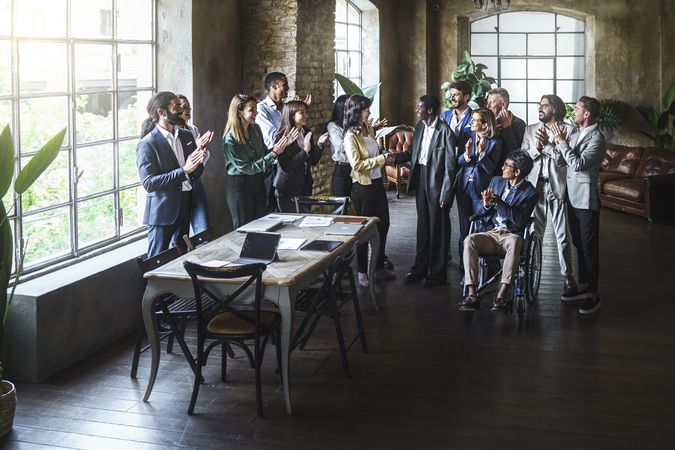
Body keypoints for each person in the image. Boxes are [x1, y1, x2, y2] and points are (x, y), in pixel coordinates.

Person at [387, 95, 457, 288]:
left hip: (438, 181)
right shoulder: (418, 127)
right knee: (423, 227)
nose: (417, 110)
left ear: (430, 111)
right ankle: (420, 268)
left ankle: (437, 274)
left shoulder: (445, 132)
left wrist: (446, 193)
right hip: (422, 179)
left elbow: (450, 167)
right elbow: (412, 154)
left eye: (420, 108)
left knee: (438, 229)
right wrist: (395, 158)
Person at [460, 150, 538, 311]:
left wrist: (499, 203)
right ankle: (472, 293)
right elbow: (480, 211)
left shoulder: (530, 192)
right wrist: (486, 203)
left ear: (517, 172)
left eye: (507, 166)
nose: (502, 168)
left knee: (516, 241)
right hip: (491, 232)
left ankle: (502, 295)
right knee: (470, 240)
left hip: (511, 235)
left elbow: (520, 221)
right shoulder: (496, 181)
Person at [136, 91, 210, 257]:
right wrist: (184, 170)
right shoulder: (147, 144)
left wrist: (199, 161)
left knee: (180, 258)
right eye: (176, 106)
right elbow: (149, 183)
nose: (182, 109)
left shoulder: (186, 136)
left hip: (185, 206)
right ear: (161, 112)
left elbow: (195, 173)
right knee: (157, 261)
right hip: (162, 214)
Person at [551, 96, 606, 315]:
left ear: (587, 114)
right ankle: (583, 285)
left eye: (577, 108)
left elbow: (578, 164)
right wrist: (557, 143)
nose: (572, 111)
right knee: (580, 245)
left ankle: (593, 293)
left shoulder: (597, 138)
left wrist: (563, 143)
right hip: (571, 197)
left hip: (585, 198)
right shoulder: (574, 132)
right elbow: (560, 161)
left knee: (590, 247)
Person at [522, 94, 577, 296]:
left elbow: (564, 161)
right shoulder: (530, 130)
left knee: (562, 235)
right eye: (539, 105)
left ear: (555, 109)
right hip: (535, 188)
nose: (540, 108)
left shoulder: (569, 130)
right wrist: (536, 149)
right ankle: (531, 270)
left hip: (558, 187)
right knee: (534, 233)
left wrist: (549, 145)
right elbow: (523, 158)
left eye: (544, 105)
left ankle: (568, 276)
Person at [343, 94, 396, 287]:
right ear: (357, 112)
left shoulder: (369, 129)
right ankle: (362, 272)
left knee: (384, 224)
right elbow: (356, 165)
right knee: (364, 231)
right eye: (366, 110)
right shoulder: (350, 136)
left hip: (376, 184)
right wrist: (383, 160)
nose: (369, 112)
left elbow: (374, 153)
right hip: (362, 187)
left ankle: (379, 267)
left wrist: (383, 156)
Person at [223, 94, 294, 228]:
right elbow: (248, 167)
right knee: (243, 227)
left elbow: (264, 154)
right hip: (240, 185)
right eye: (252, 110)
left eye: (256, 109)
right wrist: (273, 153)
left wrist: (281, 147)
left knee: (261, 223)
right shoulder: (230, 139)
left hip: (257, 180)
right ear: (239, 111)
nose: (256, 112)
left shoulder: (256, 129)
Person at [454, 108, 502, 270]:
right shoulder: (468, 137)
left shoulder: (495, 142)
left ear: (485, 124)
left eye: (475, 120)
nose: (471, 122)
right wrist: (467, 154)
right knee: (464, 228)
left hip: (482, 190)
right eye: (472, 119)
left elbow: (490, 168)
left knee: (483, 227)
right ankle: (465, 266)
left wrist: (482, 154)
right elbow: (459, 161)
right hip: (463, 188)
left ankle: (490, 266)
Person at [273, 100, 327, 212]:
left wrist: (320, 145)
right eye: (301, 113)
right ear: (291, 115)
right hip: (288, 187)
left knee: (305, 220)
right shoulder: (281, 135)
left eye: (306, 112)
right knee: (291, 224)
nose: (306, 115)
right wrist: (305, 150)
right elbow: (286, 166)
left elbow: (312, 161)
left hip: (305, 185)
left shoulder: (306, 132)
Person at [486, 87, 526, 171]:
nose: (487, 106)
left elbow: (517, 152)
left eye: (491, 102)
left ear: (503, 105)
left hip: (509, 171)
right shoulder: (487, 122)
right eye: (487, 102)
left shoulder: (519, 124)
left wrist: (507, 128)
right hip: (488, 170)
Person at [440, 80, 473, 154]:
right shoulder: (444, 115)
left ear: (466, 97)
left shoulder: (474, 116)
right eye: (451, 94)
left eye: (456, 95)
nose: (452, 98)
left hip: (465, 161)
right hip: (446, 161)